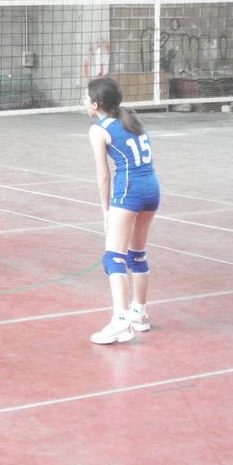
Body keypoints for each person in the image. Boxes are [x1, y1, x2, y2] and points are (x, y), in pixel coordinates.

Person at [85, 77, 160, 345]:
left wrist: (105, 210)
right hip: (152, 188)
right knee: (136, 254)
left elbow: (103, 175)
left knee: (112, 256)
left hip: (129, 190)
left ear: (95, 104)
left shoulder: (99, 129)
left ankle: (120, 321)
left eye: (86, 98)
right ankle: (139, 314)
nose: (85, 102)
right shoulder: (133, 121)